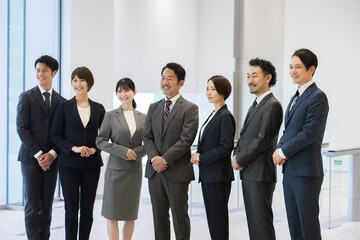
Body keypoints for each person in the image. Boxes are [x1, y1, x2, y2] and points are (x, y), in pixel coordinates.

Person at [273, 48, 329, 240]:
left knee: (308, 227)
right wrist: (279, 148)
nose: (292, 71)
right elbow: (288, 130)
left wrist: (283, 152)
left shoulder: (317, 97)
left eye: (298, 67)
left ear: (311, 69)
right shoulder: (296, 96)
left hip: (306, 173)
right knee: (295, 227)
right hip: (291, 172)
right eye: (290, 67)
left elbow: (309, 133)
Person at [143, 62, 199, 240]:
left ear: (180, 83)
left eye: (170, 78)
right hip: (154, 171)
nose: (165, 82)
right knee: (159, 218)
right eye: (162, 78)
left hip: (177, 172)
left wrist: (164, 160)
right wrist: (155, 159)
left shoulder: (190, 108)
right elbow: (147, 137)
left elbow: (186, 140)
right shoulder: (153, 107)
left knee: (179, 218)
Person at [51, 66, 105, 240]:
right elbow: (55, 135)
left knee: (87, 210)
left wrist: (95, 149)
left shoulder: (98, 108)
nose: (78, 84)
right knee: (71, 210)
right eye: (75, 80)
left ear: (89, 83)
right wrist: (72, 148)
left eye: (82, 80)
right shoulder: (63, 107)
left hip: (91, 165)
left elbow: (105, 136)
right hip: (68, 165)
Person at [232, 58, 283, 240]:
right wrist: (236, 154)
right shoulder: (256, 104)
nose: (250, 80)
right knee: (255, 224)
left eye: (255, 76)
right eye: (248, 76)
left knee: (261, 226)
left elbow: (263, 139)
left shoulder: (272, 105)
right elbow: (246, 136)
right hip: (250, 173)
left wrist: (239, 159)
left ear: (268, 77)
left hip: (260, 174)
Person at [16, 55, 66, 240]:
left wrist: (51, 155)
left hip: (52, 162)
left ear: (54, 73)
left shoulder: (62, 102)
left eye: (44, 70)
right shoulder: (26, 97)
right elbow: (22, 128)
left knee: (46, 208)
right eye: (38, 70)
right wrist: (39, 154)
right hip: (30, 160)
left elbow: (62, 133)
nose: (40, 73)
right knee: (32, 206)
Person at [96, 78, 146, 240]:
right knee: (112, 215)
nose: (123, 94)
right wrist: (123, 151)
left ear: (134, 92)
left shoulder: (144, 117)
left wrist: (136, 153)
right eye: (119, 91)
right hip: (115, 171)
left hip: (134, 172)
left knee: (131, 215)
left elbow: (150, 143)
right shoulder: (110, 116)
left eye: (126, 90)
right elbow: (100, 141)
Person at [190, 75, 235, 240]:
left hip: (218, 176)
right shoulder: (214, 114)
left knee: (218, 220)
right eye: (207, 88)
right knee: (213, 219)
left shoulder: (225, 116)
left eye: (213, 89)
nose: (208, 92)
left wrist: (202, 158)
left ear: (222, 92)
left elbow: (225, 147)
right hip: (210, 175)